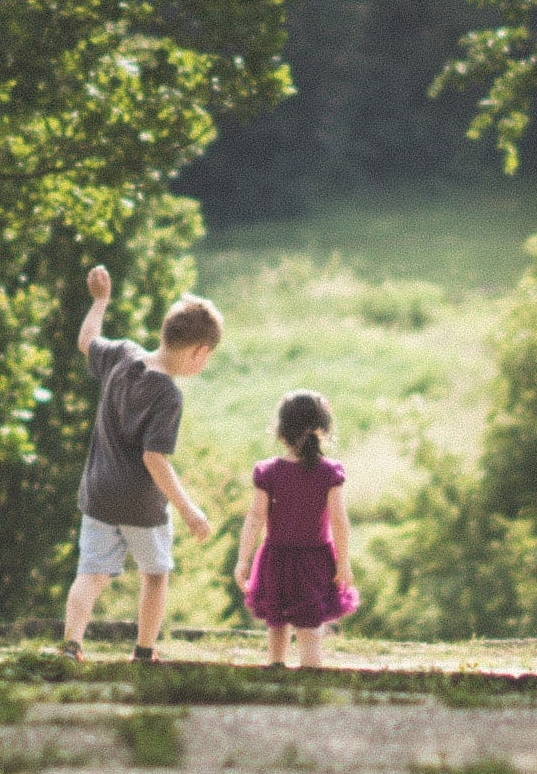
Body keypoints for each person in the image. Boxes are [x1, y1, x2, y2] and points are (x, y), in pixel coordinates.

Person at [60, 262, 220, 659]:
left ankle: (71, 646)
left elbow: (86, 340)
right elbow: (154, 458)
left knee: (91, 573)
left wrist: (101, 301)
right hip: (142, 505)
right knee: (155, 575)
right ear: (200, 352)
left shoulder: (122, 355)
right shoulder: (168, 394)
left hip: (97, 494)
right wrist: (188, 509)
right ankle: (144, 653)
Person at [234, 391, 362, 669]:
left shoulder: (268, 472)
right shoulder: (329, 472)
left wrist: (243, 560)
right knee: (310, 623)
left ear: (281, 432)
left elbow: (255, 518)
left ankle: (276, 668)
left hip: (276, 558)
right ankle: (310, 672)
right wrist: (343, 562)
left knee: (276, 621)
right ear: (322, 431)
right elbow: (339, 520)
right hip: (315, 560)